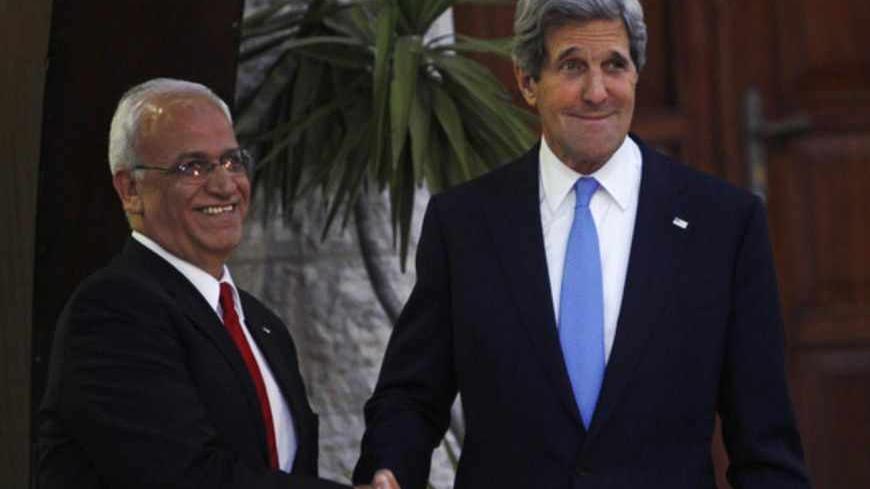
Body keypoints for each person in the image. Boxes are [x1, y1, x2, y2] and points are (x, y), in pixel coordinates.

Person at [353, 1, 811, 488]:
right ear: (528, 81)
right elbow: (411, 396)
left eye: (614, 65)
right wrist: (388, 469)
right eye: (572, 66)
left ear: (636, 74)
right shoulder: (464, 225)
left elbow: (764, 443)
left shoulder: (723, 226)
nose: (597, 92)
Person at [37, 78, 398, 489]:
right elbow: (187, 476)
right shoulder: (112, 313)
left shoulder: (263, 327)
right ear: (131, 189)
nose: (225, 185)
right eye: (192, 166)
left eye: (232, 161)